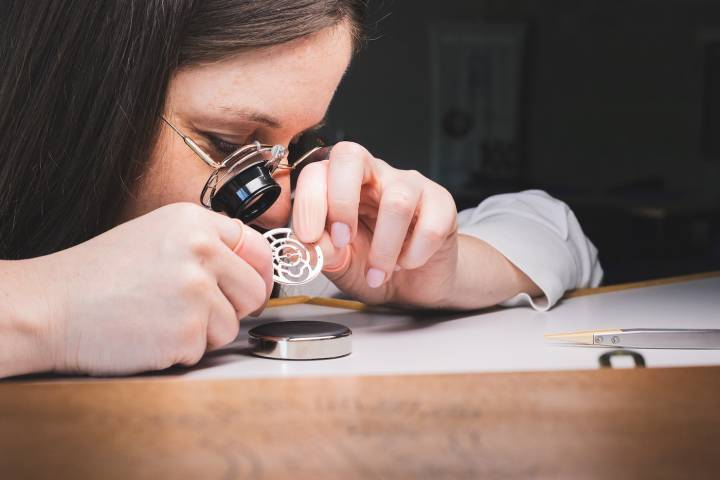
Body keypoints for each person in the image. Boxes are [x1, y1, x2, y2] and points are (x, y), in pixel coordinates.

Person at [0, 0, 601, 378]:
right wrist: (53, 310)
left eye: (289, 149)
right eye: (224, 141)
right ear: (87, 95)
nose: (276, 201)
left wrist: (435, 269)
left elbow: (553, 229)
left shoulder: (262, 245)